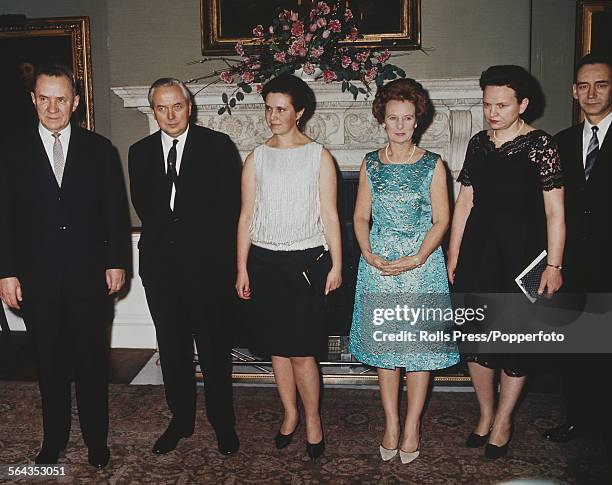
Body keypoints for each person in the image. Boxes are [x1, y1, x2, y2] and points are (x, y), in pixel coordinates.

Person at [0, 63, 131, 468]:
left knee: (92, 361)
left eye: (61, 99)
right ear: (33, 100)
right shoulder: (11, 150)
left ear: (75, 102)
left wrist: (117, 262)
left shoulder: (100, 149)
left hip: (89, 277)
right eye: (44, 98)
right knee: (49, 364)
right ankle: (53, 440)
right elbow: (4, 216)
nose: (52, 107)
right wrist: (6, 271)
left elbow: (115, 214)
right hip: (36, 280)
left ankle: (96, 441)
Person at [447, 65, 565, 459]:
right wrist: (453, 252)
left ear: (523, 104)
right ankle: (485, 413)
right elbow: (464, 201)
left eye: (501, 104)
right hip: (479, 252)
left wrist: (555, 265)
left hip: (525, 257)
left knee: (515, 342)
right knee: (477, 340)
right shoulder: (479, 143)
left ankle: (505, 419)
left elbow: (555, 213)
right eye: (487, 104)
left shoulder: (541, 145)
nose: (492, 112)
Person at [348, 78, 460, 464]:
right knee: (385, 350)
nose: (400, 125)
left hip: (420, 266)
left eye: (407, 118)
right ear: (383, 120)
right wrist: (367, 251)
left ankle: (412, 425)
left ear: (417, 121)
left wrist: (416, 258)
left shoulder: (433, 164)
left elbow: (442, 220)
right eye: (393, 117)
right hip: (378, 266)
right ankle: (391, 423)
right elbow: (360, 215)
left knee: (418, 352)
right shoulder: (370, 163)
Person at [128, 78, 241, 456]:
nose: (170, 114)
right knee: (172, 350)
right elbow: (148, 208)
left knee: (213, 351)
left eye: (177, 105)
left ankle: (223, 424)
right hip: (161, 271)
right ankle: (181, 420)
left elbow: (231, 209)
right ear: (153, 110)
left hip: (208, 271)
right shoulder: (139, 151)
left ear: (188, 106)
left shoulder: (217, 146)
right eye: (162, 108)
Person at [235, 74, 342, 461]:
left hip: (306, 264)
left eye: (281, 109)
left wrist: (337, 265)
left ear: (299, 112)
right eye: (268, 108)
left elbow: (330, 215)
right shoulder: (256, 157)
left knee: (302, 352)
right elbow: (246, 215)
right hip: (265, 263)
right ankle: (290, 414)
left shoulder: (319, 156)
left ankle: (313, 420)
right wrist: (242, 267)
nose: (273, 116)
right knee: (277, 350)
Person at [543, 53, 612, 452]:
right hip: (573, 264)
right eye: (583, 85)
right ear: (573, 91)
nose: (591, 93)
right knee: (577, 346)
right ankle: (578, 419)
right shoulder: (562, 142)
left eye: (600, 84)